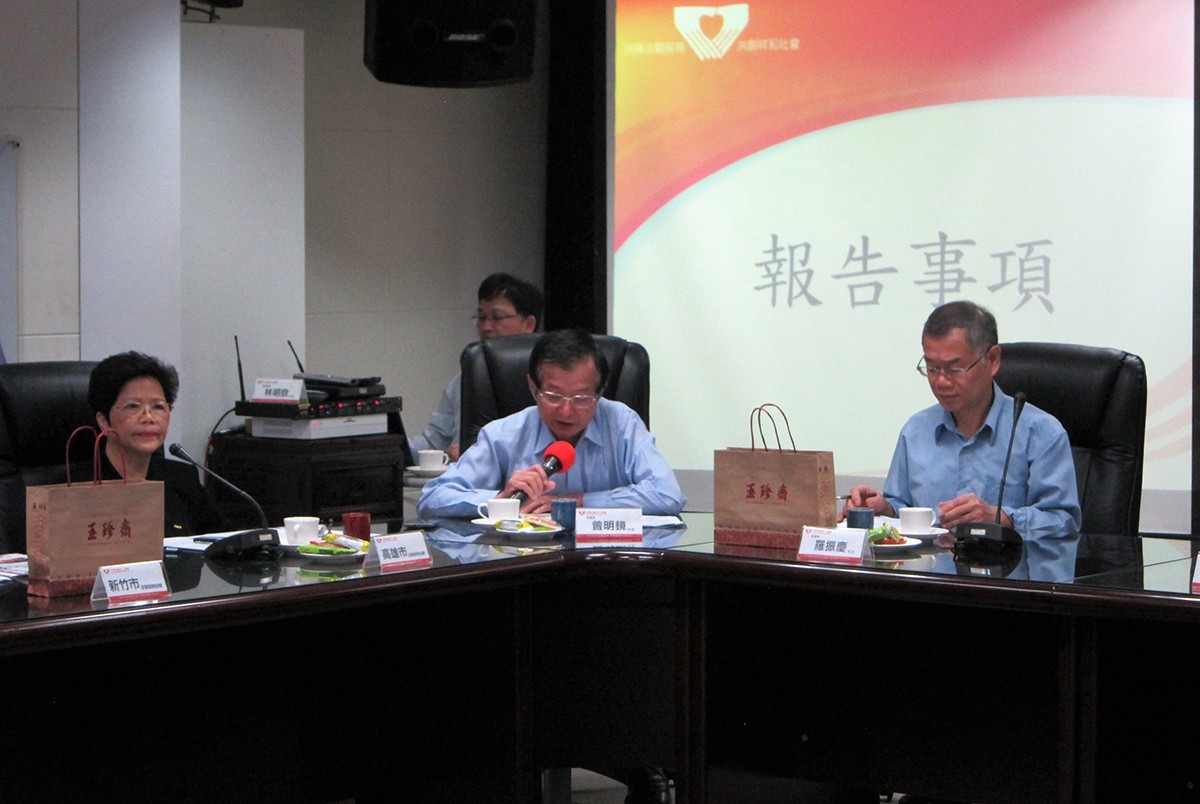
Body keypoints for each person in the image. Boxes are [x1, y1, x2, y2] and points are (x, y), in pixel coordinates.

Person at [843, 300, 1080, 542]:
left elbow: (1065, 521)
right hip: (931, 565)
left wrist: (1001, 518)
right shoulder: (915, 431)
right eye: (932, 368)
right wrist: (883, 509)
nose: (941, 381)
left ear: (993, 360)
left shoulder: (1040, 432)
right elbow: (902, 507)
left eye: (954, 369)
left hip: (1007, 565)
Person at [418, 328, 686, 519]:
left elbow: (667, 495)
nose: (566, 410)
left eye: (581, 398)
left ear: (600, 392)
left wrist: (578, 502)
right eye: (553, 396)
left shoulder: (622, 424)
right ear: (533, 387)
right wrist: (501, 500)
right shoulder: (504, 434)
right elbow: (433, 497)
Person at [408, 272, 544, 462]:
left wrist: (475, 452)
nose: (486, 327)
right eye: (481, 318)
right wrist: (386, 447)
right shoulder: (467, 377)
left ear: (528, 324)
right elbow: (434, 441)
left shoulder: (549, 378)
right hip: (466, 476)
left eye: (497, 317)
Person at [89, 351, 226, 538]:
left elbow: (227, 541)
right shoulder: (73, 488)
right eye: (133, 406)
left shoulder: (182, 479)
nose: (149, 417)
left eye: (158, 407)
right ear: (104, 420)